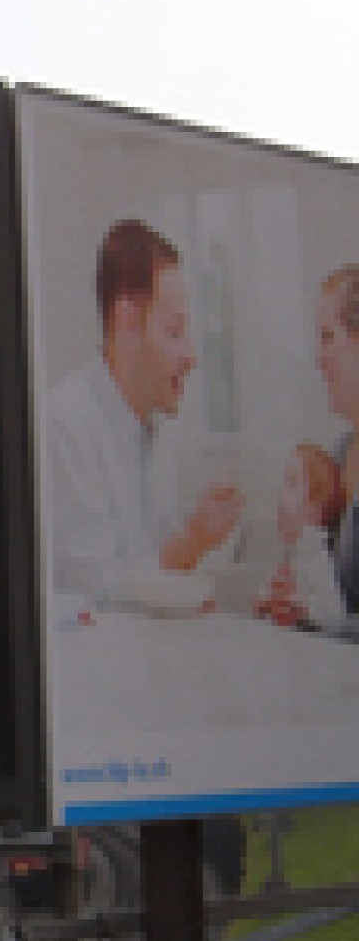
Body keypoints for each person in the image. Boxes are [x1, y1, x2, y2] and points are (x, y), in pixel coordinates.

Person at [42, 217, 244, 606]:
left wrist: (199, 540)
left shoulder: (156, 432)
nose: (192, 356)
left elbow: (159, 570)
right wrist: (193, 539)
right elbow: (99, 596)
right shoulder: (65, 426)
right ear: (128, 321)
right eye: (174, 331)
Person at [262, 267, 359, 634]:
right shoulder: (338, 455)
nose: (319, 359)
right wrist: (288, 604)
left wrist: (321, 623)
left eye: (327, 337)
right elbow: (327, 592)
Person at [256, 441, 345, 629]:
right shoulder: (293, 552)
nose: (281, 492)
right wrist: (265, 601)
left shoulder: (316, 556)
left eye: (292, 483)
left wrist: (300, 606)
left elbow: (335, 614)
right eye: (284, 482)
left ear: (315, 508)